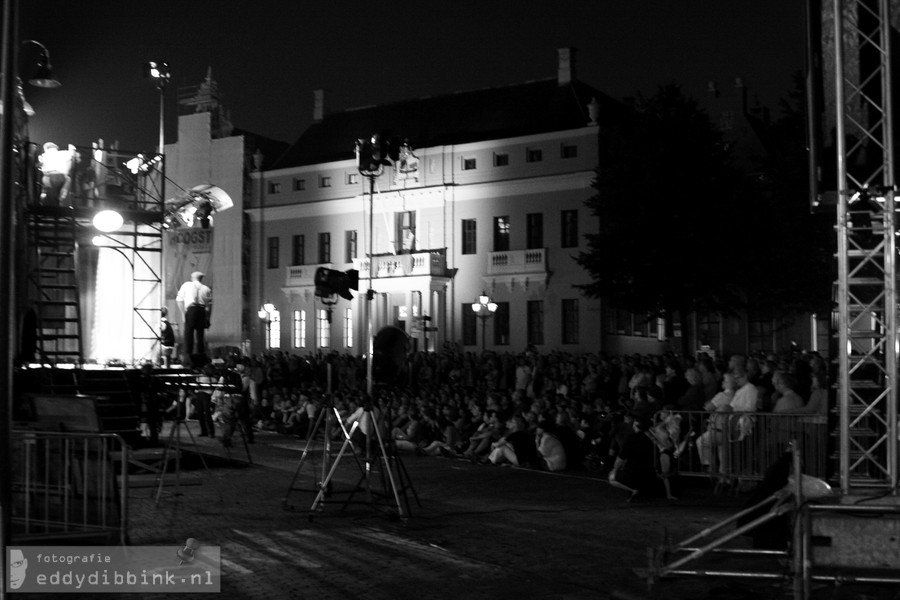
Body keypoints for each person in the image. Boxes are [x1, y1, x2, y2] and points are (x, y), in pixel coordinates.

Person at [608, 416, 659, 501]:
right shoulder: (652, 440)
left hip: (635, 473)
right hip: (651, 474)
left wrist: (614, 469)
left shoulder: (632, 438)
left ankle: (635, 490)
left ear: (636, 425)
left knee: (612, 477)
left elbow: (621, 458)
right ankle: (640, 490)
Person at [175, 271, 212, 365]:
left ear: (193, 278)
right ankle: (200, 356)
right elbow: (209, 307)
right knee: (200, 335)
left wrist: (183, 314)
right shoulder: (206, 289)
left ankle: (188, 357)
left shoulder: (187, 285)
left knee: (188, 334)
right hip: (202, 311)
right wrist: (207, 319)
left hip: (191, 310)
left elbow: (179, 300)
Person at [38, 141, 74, 206]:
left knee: (51, 195)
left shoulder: (44, 155)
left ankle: (51, 209)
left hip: (50, 176)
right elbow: (72, 153)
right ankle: (60, 207)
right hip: (62, 176)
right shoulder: (64, 153)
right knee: (58, 194)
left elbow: (40, 166)